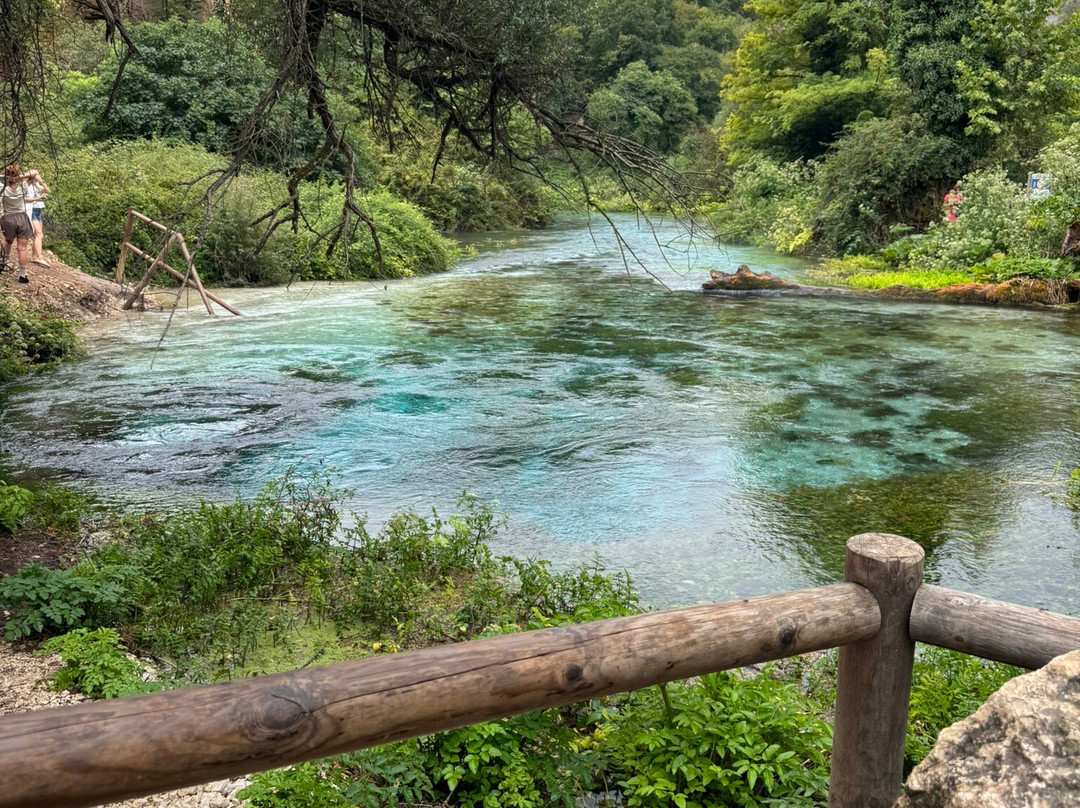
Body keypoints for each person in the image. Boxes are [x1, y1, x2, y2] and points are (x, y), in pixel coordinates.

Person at [1, 165, 32, 283]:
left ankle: (3, 263)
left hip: (8, 218)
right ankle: (22, 275)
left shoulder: (2, 188)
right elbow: (34, 173)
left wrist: (5, 177)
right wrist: (19, 177)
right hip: (22, 218)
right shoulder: (23, 186)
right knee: (22, 248)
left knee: (8, 241)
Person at [22, 169, 49, 266]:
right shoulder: (26, 185)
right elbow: (23, 199)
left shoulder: (36, 185)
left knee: (39, 235)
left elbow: (47, 191)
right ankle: (39, 257)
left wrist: (41, 181)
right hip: (32, 210)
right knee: (38, 234)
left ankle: (35, 256)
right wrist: (36, 199)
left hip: (38, 211)